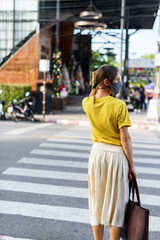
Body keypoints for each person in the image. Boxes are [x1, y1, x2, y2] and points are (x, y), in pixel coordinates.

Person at [82, 65, 137, 240]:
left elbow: (91, 96)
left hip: (96, 155)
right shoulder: (119, 105)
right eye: (117, 80)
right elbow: (125, 139)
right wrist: (132, 166)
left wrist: (94, 84)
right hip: (116, 157)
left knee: (97, 201)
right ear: (107, 82)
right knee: (117, 204)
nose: (119, 83)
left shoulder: (88, 103)